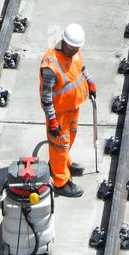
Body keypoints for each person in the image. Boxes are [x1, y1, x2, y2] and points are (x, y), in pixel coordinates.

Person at [39, 23, 96, 196]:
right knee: (59, 145)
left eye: (77, 48)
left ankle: (63, 163)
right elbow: (46, 98)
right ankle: (61, 181)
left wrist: (90, 82)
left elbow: (81, 68)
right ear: (64, 42)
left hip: (72, 106)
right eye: (71, 48)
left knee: (69, 138)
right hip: (58, 112)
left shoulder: (75, 51)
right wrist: (52, 121)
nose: (74, 51)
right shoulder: (50, 66)